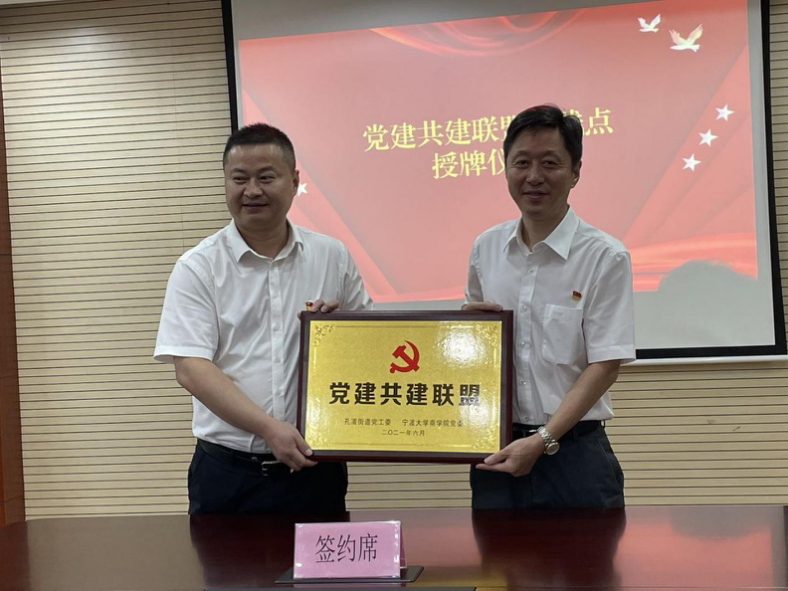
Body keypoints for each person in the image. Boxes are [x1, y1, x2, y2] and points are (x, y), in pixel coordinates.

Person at [154, 123, 372, 514]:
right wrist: (269, 429)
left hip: (315, 470)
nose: (252, 190)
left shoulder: (332, 256)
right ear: (225, 183)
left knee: (325, 558)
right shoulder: (198, 266)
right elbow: (190, 368)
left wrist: (342, 332)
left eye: (266, 178)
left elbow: (372, 344)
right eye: (239, 179)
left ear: (295, 181)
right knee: (222, 560)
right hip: (227, 474)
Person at [463, 104, 635, 508]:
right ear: (506, 167)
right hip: (497, 450)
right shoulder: (486, 248)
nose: (534, 176)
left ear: (575, 171)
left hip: (574, 456)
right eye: (521, 162)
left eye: (550, 163)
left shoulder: (604, 256)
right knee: (494, 552)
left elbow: (605, 364)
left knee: (590, 554)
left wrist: (542, 439)